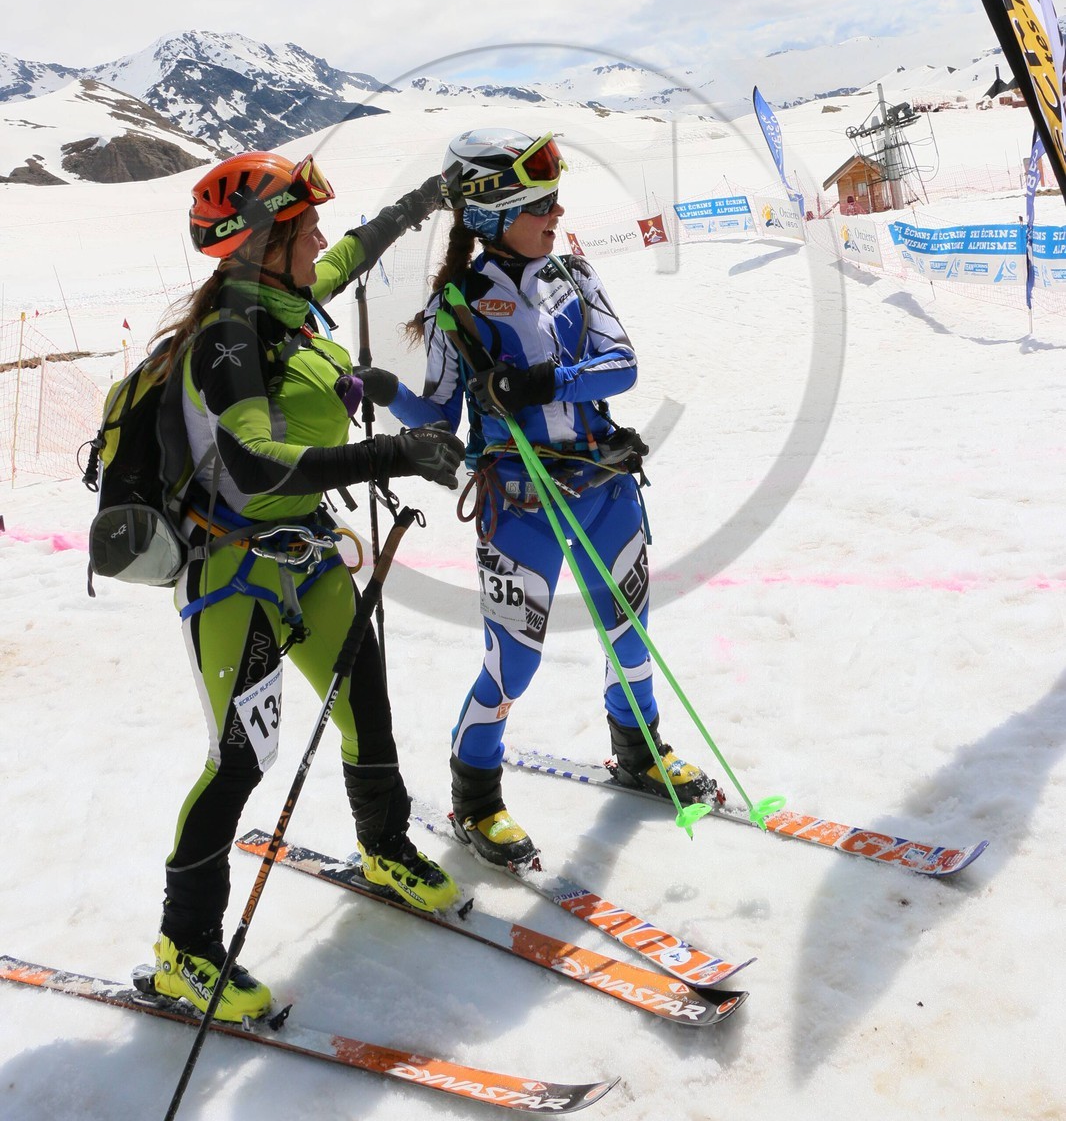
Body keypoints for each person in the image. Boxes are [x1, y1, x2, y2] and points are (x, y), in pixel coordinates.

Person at [150, 150, 465, 1022]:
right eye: (305, 226)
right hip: (234, 577)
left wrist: (426, 199)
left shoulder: (286, 301)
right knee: (242, 761)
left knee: (366, 701)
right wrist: (387, 450)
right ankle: (185, 945)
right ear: (264, 242)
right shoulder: (228, 339)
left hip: (309, 556)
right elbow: (253, 454)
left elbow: (355, 248)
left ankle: (385, 846)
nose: (320, 236)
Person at [359, 130, 710, 868]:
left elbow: (622, 366)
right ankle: (477, 797)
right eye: (538, 203)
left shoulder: (574, 275)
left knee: (631, 636)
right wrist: (389, 393)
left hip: (603, 489)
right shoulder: (457, 305)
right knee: (512, 664)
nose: (556, 212)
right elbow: (443, 414)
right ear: (489, 214)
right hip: (518, 510)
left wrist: (539, 384)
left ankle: (638, 750)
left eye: (555, 200)